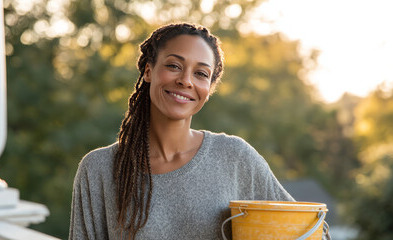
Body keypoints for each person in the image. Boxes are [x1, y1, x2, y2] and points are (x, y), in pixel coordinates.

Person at [69, 23, 303, 239]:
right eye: (174, 66)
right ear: (148, 71)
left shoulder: (235, 158)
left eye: (201, 73)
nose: (185, 80)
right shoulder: (99, 169)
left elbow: (309, 230)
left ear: (209, 88)